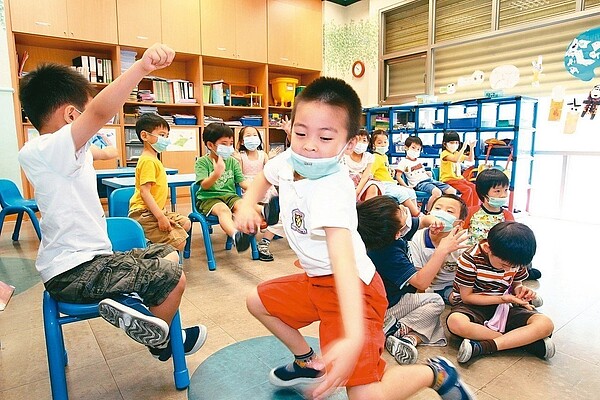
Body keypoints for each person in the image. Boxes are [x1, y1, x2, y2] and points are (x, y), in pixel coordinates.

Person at [234, 77, 473, 400]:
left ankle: (436, 373)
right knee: (257, 302)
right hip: (317, 281)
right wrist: (248, 204)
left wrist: (352, 337)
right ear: (289, 128)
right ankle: (307, 362)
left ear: (347, 145)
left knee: (364, 396)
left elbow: (344, 264)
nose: (309, 145)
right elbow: (265, 176)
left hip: (355, 290)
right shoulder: (290, 160)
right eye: (301, 132)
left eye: (325, 137)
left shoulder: (331, 191)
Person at [17, 44, 207, 361]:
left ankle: (137, 312)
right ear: (70, 115)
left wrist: (104, 147)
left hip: (85, 264)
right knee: (175, 277)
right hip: (77, 272)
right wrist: (141, 67)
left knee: (167, 253)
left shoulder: (52, 153)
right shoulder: (50, 148)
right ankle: (159, 339)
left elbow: (103, 152)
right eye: (83, 117)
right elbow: (100, 112)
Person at [357, 196, 469, 365]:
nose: (405, 209)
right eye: (402, 212)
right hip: (385, 306)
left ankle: (409, 339)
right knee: (435, 302)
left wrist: (432, 220)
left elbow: (421, 221)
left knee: (429, 307)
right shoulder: (388, 252)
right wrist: (442, 251)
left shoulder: (382, 233)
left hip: (380, 301)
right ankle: (393, 329)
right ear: (398, 233)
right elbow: (421, 283)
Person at [446, 222, 554, 363]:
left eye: (514, 267)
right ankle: (522, 342)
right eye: (504, 265)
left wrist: (520, 291)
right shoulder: (470, 259)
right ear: (487, 248)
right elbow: (467, 298)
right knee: (456, 322)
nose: (508, 269)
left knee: (546, 324)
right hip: (473, 305)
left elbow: (516, 283)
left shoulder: (515, 259)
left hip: (504, 306)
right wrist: (504, 299)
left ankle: (484, 346)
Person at [463, 168, 542, 279]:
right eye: (497, 191)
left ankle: (522, 270)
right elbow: (460, 232)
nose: (503, 195)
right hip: (477, 257)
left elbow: (512, 238)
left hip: (500, 256)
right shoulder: (472, 212)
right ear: (483, 193)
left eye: (505, 190)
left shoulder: (507, 215)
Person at [128, 114, 191, 252]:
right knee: (179, 243)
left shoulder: (153, 159)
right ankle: (151, 253)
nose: (165, 140)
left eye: (167, 136)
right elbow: (145, 192)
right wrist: (161, 217)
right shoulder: (148, 160)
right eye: (162, 135)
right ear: (144, 136)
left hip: (154, 211)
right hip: (143, 213)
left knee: (185, 223)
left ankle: (156, 246)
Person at [194, 122, 256, 251]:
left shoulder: (232, 162)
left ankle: (266, 210)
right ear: (210, 145)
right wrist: (216, 174)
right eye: (224, 144)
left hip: (230, 196)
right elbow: (204, 185)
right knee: (224, 210)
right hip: (209, 199)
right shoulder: (202, 162)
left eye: (231, 143)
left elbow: (242, 182)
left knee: (243, 206)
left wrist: (256, 190)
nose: (228, 147)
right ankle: (236, 236)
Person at [408, 194, 469, 305]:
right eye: (437, 208)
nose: (442, 213)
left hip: (459, 285)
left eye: (449, 211)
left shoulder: (465, 241)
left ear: (460, 223)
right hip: (433, 286)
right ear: (429, 213)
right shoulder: (417, 237)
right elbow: (418, 277)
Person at [233, 126, 278, 261]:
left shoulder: (263, 154)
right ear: (241, 141)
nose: (252, 138)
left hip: (263, 183)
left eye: (254, 135)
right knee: (252, 201)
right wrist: (239, 161)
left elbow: (268, 172)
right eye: (248, 136)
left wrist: (271, 158)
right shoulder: (240, 156)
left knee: (271, 197)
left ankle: (266, 217)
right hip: (247, 186)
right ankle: (262, 217)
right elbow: (239, 177)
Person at [369, 129, 421, 216]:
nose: (383, 145)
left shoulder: (384, 156)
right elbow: (369, 174)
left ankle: (412, 214)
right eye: (379, 142)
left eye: (385, 142)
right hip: (383, 185)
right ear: (373, 145)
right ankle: (416, 214)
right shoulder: (375, 157)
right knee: (402, 193)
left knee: (411, 192)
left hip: (391, 184)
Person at [397, 135, 456, 211]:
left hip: (429, 180)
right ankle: (428, 212)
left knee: (452, 191)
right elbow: (398, 176)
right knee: (437, 192)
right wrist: (406, 186)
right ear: (406, 147)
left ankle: (445, 210)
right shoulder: (403, 162)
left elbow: (423, 171)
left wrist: (428, 173)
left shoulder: (418, 161)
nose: (415, 151)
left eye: (418, 149)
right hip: (420, 183)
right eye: (413, 148)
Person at [439, 131, 479, 207]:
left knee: (474, 187)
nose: (455, 145)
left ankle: (473, 209)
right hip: (448, 180)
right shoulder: (444, 153)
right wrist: (463, 148)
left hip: (459, 180)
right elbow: (455, 159)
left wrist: (471, 148)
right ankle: (462, 210)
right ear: (444, 144)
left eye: (457, 143)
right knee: (467, 190)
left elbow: (470, 159)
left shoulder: (456, 153)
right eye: (451, 143)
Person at [342, 129, 382, 202]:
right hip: (347, 181)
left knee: (373, 186)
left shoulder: (369, 157)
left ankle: (369, 210)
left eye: (364, 140)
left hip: (363, 181)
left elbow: (365, 176)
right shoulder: (344, 155)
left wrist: (357, 192)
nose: (360, 143)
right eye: (357, 140)